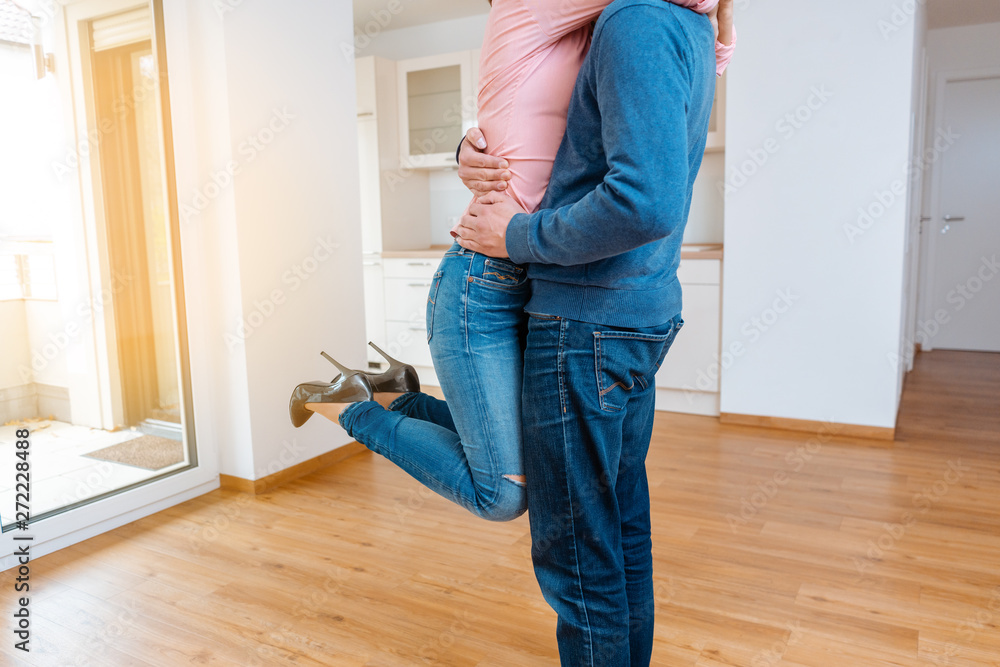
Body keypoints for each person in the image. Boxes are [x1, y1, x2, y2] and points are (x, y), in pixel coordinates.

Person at [290, 1, 732, 529]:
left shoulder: (599, 30)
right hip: (486, 278)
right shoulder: (530, 5)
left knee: (531, 454)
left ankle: (395, 396)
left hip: (544, 268)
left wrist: (720, 24)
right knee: (502, 491)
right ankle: (352, 407)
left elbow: (683, 57)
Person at [451, 0, 723, 663]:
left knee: (577, 554)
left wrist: (515, 236)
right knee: (619, 530)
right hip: (631, 315)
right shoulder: (690, 25)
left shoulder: (636, 24)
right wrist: (467, 142)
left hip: (585, 323)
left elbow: (645, 201)